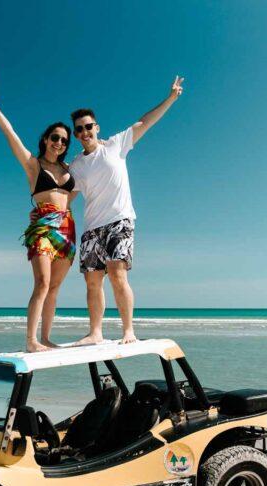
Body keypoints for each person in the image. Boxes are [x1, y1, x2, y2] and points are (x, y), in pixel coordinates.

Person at [69, 76, 184, 345]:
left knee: (118, 275)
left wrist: (170, 98)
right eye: (79, 130)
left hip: (119, 221)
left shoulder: (116, 144)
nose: (84, 132)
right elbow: (66, 197)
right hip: (91, 229)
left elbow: (145, 122)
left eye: (88, 126)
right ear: (76, 134)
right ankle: (95, 333)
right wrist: (44, 212)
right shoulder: (76, 165)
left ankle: (128, 331)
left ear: (96, 127)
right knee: (92, 282)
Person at [0, 74, 77, 352]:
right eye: (55, 138)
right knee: (42, 282)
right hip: (44, 224)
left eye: (64, 140)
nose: (59, 143)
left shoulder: (70, 170)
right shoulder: (33, 165)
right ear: (45, 139)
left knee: (55, 288)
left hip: (67, 227)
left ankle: (45, 338)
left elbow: (89, 176)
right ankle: (31, 340)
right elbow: (10, 132)